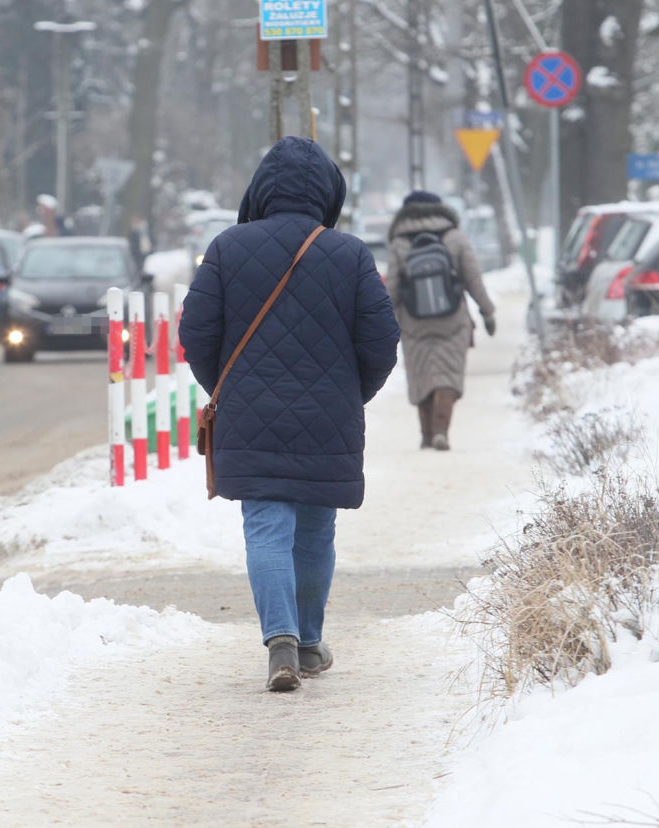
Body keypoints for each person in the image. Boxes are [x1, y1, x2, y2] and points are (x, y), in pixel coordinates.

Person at [179, 137, 400, 692]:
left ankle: (279, 640)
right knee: (316, 530)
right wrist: (351, 393)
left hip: (249, 414)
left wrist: (225, 387)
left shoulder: (226, 248)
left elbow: (196, 333)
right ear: (328, 192)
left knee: (266, 527)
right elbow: (382, 341)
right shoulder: (350, 254)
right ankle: (307, 642)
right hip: (329, 416)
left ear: (260, 190)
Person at [384, 190, 496, 451]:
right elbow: (473, 279)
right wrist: (487, 311)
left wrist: (383, 322)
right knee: (447, 375)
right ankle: (441, 431)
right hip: (452, 319)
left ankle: (426, 435)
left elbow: (392, 289)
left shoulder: (399, 242)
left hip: (413, 322)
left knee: (421, 373)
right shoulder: (455, 237)